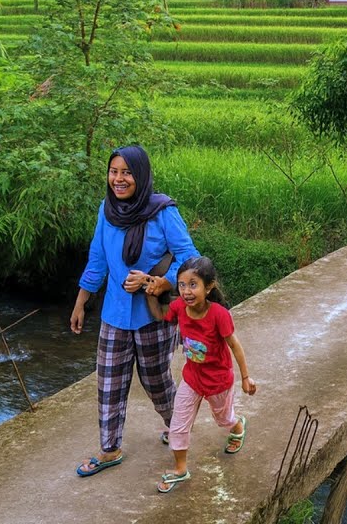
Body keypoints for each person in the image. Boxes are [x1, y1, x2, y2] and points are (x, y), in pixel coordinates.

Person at [71, 145, 199, 477]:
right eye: (114, 171)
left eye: (127, 172)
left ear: (140, 175)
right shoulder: (106, 210)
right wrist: (81, 302)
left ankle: (177, 426)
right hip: (114, 313)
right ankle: (110, 448)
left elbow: (190, 258)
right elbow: (98, 259)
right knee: (109, 382)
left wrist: (158, 281)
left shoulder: (163, 212)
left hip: (152, 315)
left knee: (156, 381)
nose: (119, 179)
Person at [146, 256, 256, 493]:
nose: (186, 291)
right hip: (192, 379)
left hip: (218, 381)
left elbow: (235, 345)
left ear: (209, 287)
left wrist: (246, 377)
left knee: (223, 419)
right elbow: (161, 315)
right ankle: (180, 469)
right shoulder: (179, 307)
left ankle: (237, 427)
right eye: (182, 285)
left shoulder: (219, 315)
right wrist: (150, 294)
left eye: (193, 285)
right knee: (178, 423)